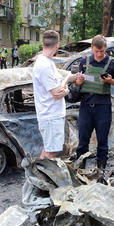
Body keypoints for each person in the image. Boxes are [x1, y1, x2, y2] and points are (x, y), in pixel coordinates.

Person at [74, 35, 114, 169]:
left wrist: (110, 81)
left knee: (102, 142)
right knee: (82, 143)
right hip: (86, 106)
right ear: (91, 48)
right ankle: (80, 172)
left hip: (103, 107)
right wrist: (78, 82)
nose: (99, 54)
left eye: (102, 51)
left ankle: (101, 172)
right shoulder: (84, 61)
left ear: (105, 49)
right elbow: (76, 82)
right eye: (96, 51)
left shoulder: (112, 63)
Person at [32, 30, 79, 159]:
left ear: (43, 44)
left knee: (48, 149)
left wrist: (65, 89)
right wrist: (67, 80)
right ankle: (42, 178)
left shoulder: (48, 62)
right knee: (51, 152)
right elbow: (57, 93)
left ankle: (37, 177)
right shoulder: (44, 66)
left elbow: (59, 90)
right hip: (50, 115)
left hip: (50, 114)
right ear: (57, 45)